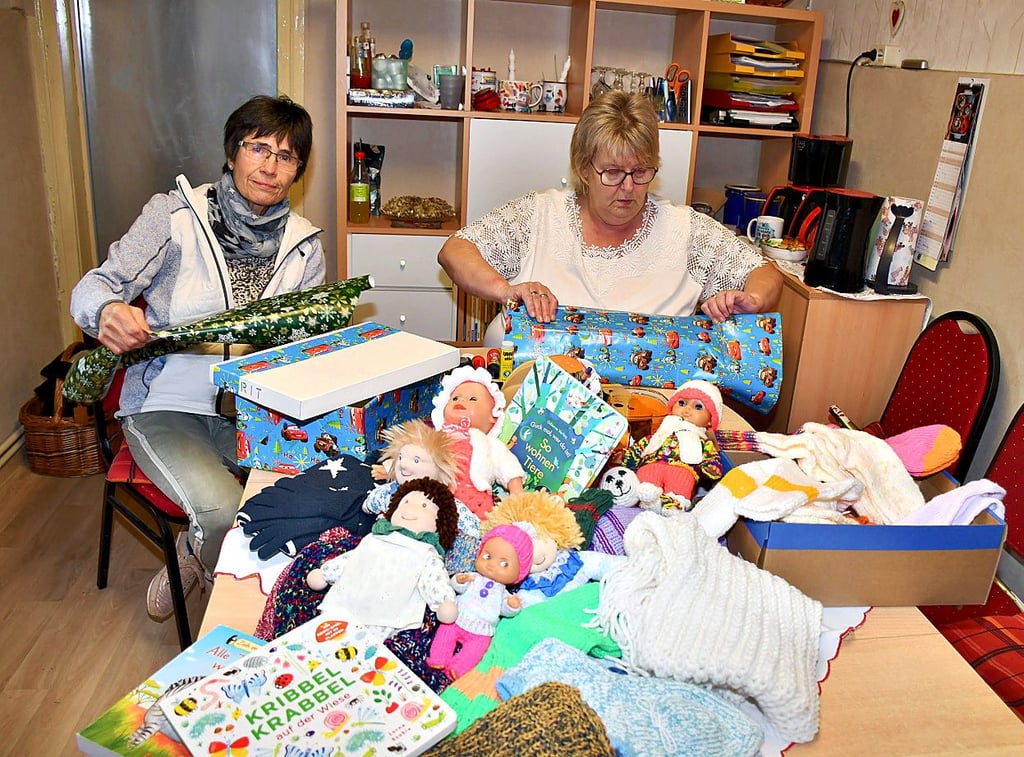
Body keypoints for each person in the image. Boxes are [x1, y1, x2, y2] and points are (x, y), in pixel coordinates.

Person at [70, 95, 325, 619]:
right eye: (258, 148)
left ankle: (198, 553)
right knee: (221, 513)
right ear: (233, 153)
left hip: (254, 410)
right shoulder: (174, 216)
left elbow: (304, 345)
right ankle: (244, 613)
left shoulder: (305, 244)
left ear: (298, 169)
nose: (270, 166)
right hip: (167, 404)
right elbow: (91, 287)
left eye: (286, 155)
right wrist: (108, 310)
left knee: (319, 499)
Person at [437, 90, 782, 345]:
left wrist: (750, 299)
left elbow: (765, 274)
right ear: (583, 168)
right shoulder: (540, 216)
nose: (628, 187)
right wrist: (507, 290)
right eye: (613, 173)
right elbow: (455, 250)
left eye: (641, 171)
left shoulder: (685, 232)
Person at [622, 379, 725, 510]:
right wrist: (624, 457)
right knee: (646, 474)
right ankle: (646, 497)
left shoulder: (703, 442)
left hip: (683, 469)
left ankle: (674, 504)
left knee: (683, 481)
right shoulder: (661, 433)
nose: (687, 409)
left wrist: (712, 467)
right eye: (682, 403)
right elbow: (640, 448)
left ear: (710, 421)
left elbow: (711, 458)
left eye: (698, 407)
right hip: (653, 464)